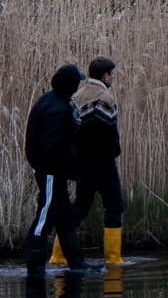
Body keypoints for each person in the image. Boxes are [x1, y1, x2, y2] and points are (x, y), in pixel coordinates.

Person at [24, 62, 84, 272]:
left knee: (65, 217)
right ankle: (34, 264)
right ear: (72, 85)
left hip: (52, 170)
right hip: (50, 171)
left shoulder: (52, 101)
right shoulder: (57, 108)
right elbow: (53, 146)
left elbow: (55, 137)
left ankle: (77, 264)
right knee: (45, 214)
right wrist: (75, 165)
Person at [71, 55, 124, 266]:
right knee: (114, 206)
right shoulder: (105, 97)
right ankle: (113, 258)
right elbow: (108, 131)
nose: (113, 78)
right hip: (103, 162)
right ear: (105, 75)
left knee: (80, 207)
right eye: (112, 74)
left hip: (82, 162)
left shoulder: (77, 95)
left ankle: (59, 255)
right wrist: (114, 152)